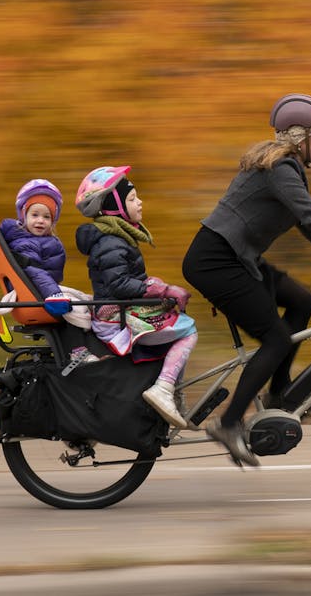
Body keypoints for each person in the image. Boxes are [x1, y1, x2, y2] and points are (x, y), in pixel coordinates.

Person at [183, 93, 311, 468]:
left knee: (301, 300)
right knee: (276, 338)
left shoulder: (284, 169)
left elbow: (307, 224)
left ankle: (279, 395)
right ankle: (229, 423)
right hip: (217, 262)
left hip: (237, 258)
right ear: (299, 136)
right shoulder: (280, 169)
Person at [74, 165, 198, 430]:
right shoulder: (111, 241)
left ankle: (170, 391)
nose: (139, 202)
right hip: (115, 319)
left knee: (178, 322)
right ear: (115, 207)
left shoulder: (116, 237)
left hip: (120, 313)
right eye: (132, 199)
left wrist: (158, 286)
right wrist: (162, 290)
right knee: (187, 331)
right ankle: (164, 390)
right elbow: (119, 284)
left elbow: (129, 280)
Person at [0, 179, 67, 300]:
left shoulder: (48, 241)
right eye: (35, 215)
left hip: (45, 291)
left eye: (46, 217)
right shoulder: (25, 242)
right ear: (24, 216)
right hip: (35, 296)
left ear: (53, 221)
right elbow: (33, 271)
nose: (41, 220)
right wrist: (54, 294)